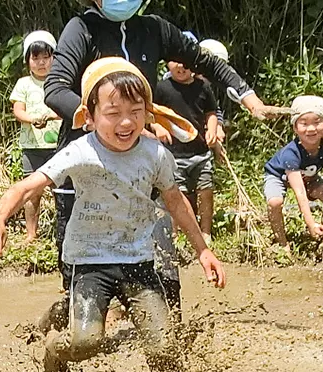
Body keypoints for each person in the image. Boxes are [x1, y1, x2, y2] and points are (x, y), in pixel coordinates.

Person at [0, 59, 226, 372]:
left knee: (164, 348)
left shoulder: (155, 154)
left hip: (137, 261)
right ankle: (54, 351)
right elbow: (26, 186)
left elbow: (176, 201)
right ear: (89, 117)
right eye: (113, 113)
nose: (126, 122)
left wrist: (204, 250)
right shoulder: (80, 151)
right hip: (89, 261)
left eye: (136, 111)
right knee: (87, 342)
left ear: (148, 113)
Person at [44, 0, 279, 252]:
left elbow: (205, 61)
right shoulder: (81, 29)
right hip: (87, 163)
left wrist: (251, 100)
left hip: (142, 162)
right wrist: (104, 124)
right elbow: (56, 90)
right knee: (77, 263)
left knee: (159, 262)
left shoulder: (154, 29)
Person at [154, 58, 222, 239]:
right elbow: (151, 113)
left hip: (200, 151)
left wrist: (213, 129)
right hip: (173, 153)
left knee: (206, 190)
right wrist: (158, 128)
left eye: (186, 61)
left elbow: (211, 112)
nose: (181, 65)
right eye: (175, 61)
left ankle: (206, 232)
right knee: (177, 194)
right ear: (167, 63)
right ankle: (176, 235)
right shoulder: (162, 88)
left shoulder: (203, 86)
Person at [264, 96, 323, 251]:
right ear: (295, 127)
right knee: (275, 202)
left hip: (309, 178)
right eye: (304, 123)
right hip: (280, 176)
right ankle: (281, 243)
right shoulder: (291, 153)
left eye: (317, 122)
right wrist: (309, 222)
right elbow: (299, 192)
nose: (311, 129)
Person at [9, 30, 61, 242]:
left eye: (46, 57)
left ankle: (63, 232)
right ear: (27, 60)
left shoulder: (60, 82)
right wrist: (32, 119)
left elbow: (69, 108)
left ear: (54, 58)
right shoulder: (23, 84)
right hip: (33, 147)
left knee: (62, 192)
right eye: (35, 58)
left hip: (60, 146)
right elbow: (18, 111)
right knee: (32, 193)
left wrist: (52, 115)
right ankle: (31, 234)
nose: (41, 63)